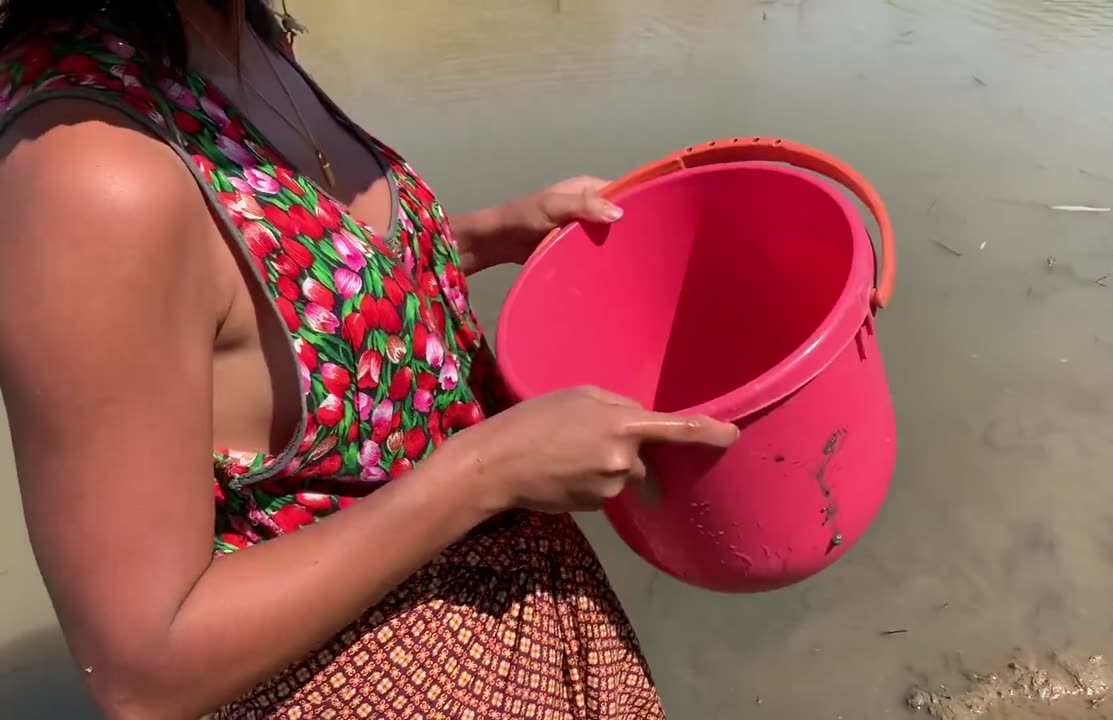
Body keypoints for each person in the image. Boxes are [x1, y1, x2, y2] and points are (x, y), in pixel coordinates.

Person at [0, 1, 740, 718]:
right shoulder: (87, 175)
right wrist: (488, 471)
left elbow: (275, 283)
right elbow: (142, 672)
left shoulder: (235, 33)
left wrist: (479, 236)